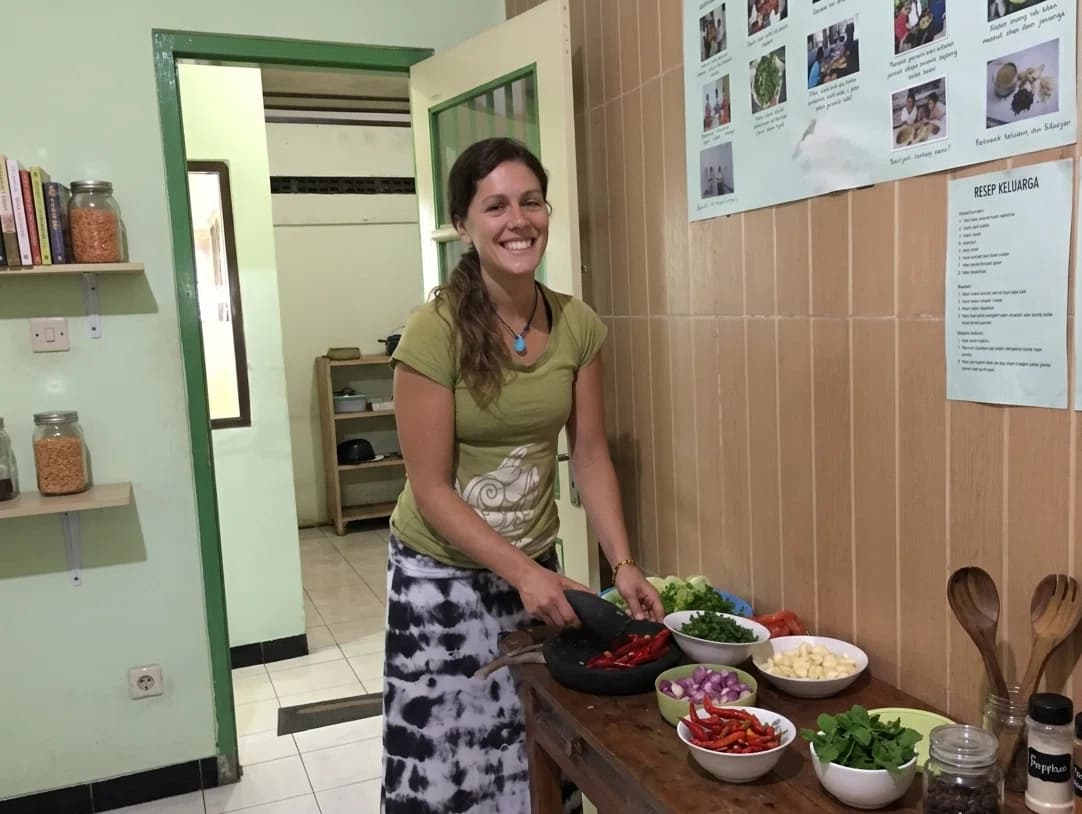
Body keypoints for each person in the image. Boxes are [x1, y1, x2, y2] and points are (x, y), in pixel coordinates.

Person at [381, 136, 663, 814]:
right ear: (463, 225)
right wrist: (523, 571)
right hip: (439, 582)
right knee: (448, 765)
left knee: (530, 752)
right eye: (496, 206)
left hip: (533, 577)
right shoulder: (434, 333)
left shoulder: (576, 325)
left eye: (531, 202)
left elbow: (590, 451)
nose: (518, 221)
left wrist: (621, 561)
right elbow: (431, 488)